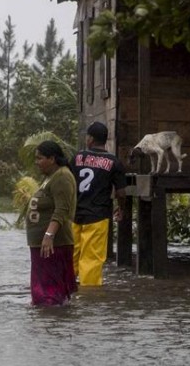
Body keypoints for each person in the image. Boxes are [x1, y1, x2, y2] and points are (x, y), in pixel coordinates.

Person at [71, 121, 127, 286]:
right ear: (105, 140)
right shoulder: (113, 162)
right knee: (91, 260)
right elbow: (121, 192)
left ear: (90, 139)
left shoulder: (77, 157)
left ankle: (65, 292)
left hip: (74, 215)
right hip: (97, 216)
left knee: (71, 255)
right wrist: (121, 208)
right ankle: (90, 300)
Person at [26, 140, 77, 306]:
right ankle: (50, 324)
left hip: (54, 244)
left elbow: (62, 210)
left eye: (40, 158)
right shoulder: (51, 177)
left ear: (52, 158)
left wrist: (49, 235)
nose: (37, 162)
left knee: (50, 294)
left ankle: (53, 326)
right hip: (43, 245)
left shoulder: (62, 177)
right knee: (43, 291)